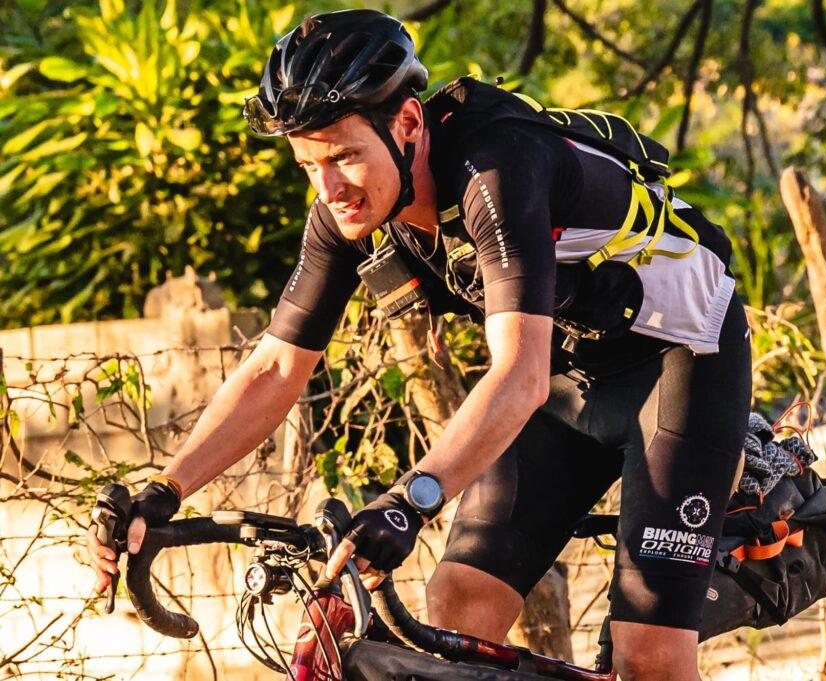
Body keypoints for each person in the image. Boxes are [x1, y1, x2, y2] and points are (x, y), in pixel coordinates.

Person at [87, 9, 751, 680]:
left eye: (344, 156)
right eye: (308, 164)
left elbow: (518, 374)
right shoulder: (347, 211)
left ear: (407, 123)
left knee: (649, 657)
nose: (329, 188)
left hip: (678, 361)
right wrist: (165, 489)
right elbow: (278, 366)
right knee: (459, 602)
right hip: (566, 374)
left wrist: (409, 503)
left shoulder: (496, 169)